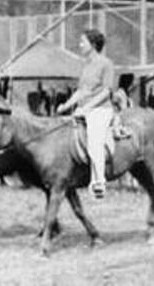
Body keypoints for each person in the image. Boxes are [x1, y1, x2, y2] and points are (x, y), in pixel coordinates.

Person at [56, 29, 115, 198]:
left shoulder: (106, 64)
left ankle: (99, 182)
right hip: (83, 109)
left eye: (83, 42)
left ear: (93, 45)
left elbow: (106, 91)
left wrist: (88, 108)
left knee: (95, 142)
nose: (80, 45)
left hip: (100, 110)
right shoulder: (86, 65)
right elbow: (81, 91)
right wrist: (66, 105)